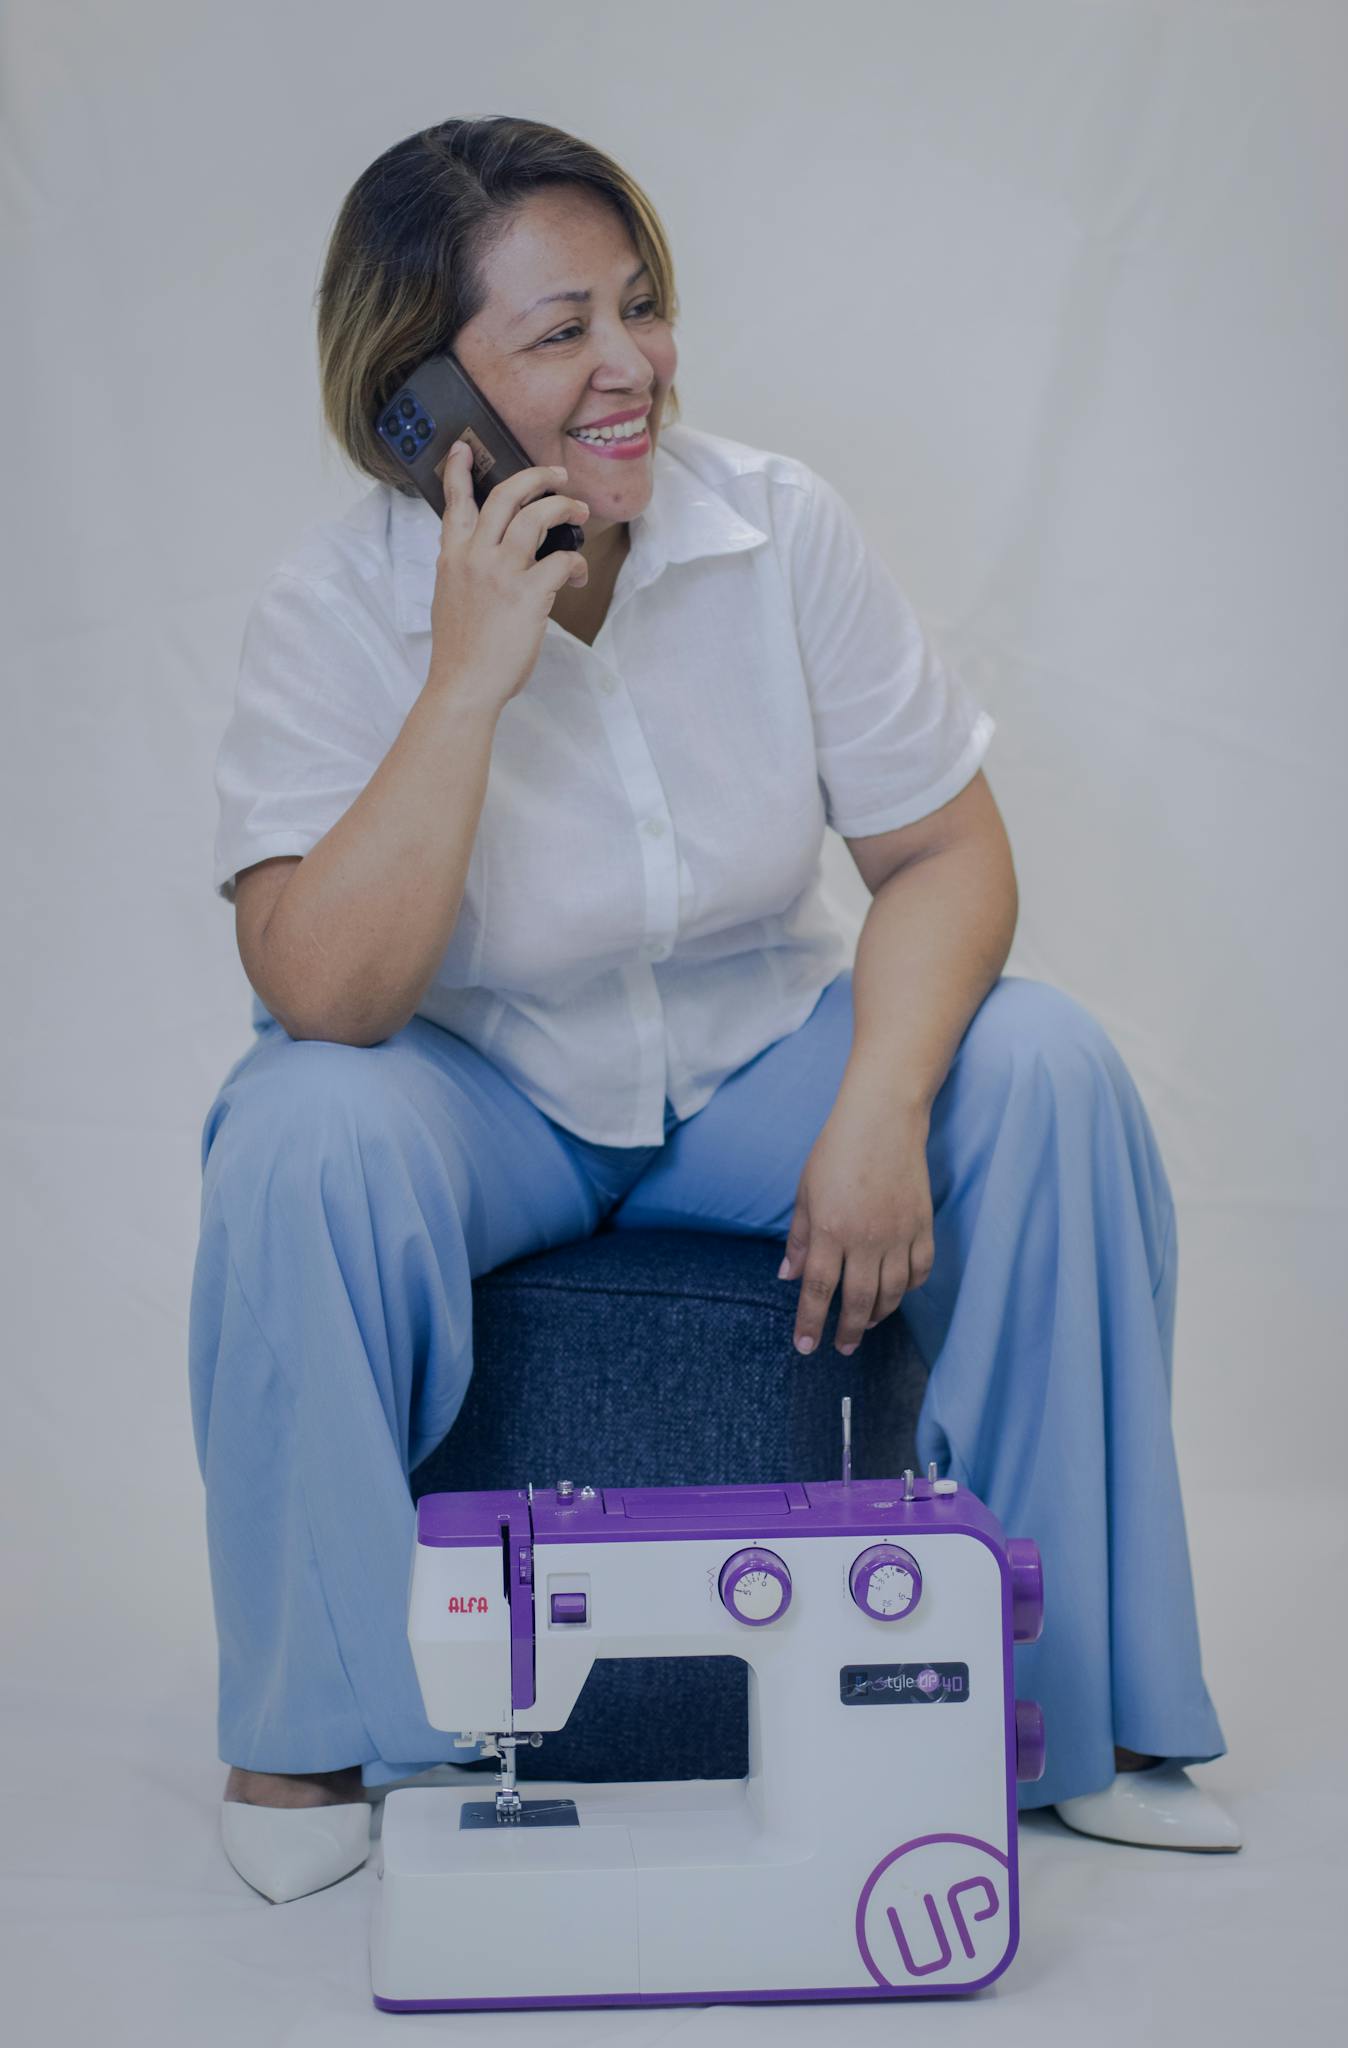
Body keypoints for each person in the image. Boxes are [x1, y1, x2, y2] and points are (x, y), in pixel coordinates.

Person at [192, 116, 1239, 1905]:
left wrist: (877, 1105)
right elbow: (322, 992)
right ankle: (318, 1746)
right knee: (295, 1128)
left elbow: (946, 858)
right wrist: (467, 682)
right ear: (418, 394)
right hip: (486, 1097)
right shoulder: (332, 606)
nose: (630, 370)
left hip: (754, 1068)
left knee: (1046, 1066)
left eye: (642, 308)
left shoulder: (776, 527)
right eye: (558, 333)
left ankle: (1075, 1723)